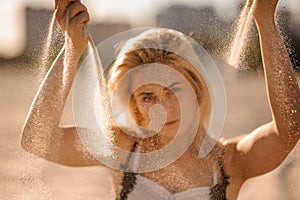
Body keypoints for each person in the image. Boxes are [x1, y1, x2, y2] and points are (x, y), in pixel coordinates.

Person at [21, 0, 300, 199]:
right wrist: (73, 49)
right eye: (147, 96)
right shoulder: (121, 148)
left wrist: (264, 20)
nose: (162, 108)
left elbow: (288, 131)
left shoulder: (230, 161)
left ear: (197, 89)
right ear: (133, 103)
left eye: (174, 90)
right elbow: (37, 139)